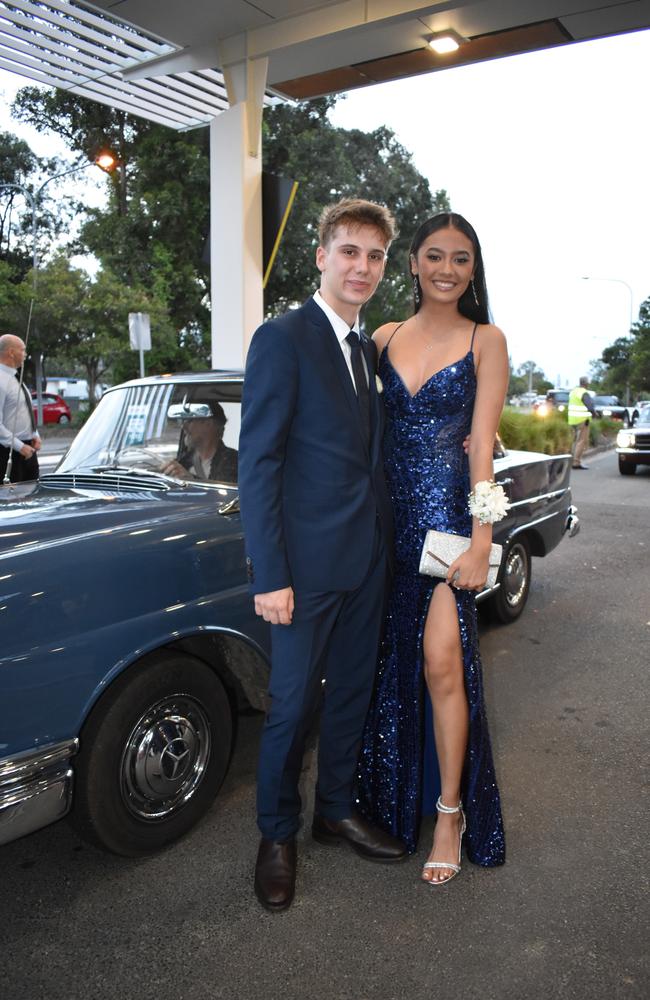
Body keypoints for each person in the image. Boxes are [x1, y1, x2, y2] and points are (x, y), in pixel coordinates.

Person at [238, 198, 407, 913]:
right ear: (321, 256)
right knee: (290, 707)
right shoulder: (283, 337)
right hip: (302, 571)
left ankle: (333, 811)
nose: (361, 267)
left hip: (368, 559)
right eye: (349, 252)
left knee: (353, 696)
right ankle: (276, 835)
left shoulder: (367, 350)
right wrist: (271, 574)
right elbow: (259, 462)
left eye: (373, 256)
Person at [356, 212, 509, 885]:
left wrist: (483, 542)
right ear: (412, 263)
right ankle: (390, 794)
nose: (448, 269)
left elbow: (482, 457)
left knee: (443, 663)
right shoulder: (382, 336)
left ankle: (450, 812)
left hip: (448, 529)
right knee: (387, 668)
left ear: (473, 271)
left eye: (463, 259)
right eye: (436, 256)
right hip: (386, 530)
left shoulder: (486, 339)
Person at [162, 400, 238, 483]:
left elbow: (228, 493)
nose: (184, 426)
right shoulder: (182, 461)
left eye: (189, 421)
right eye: (183, 421)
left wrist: (190, 479)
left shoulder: (235, 461)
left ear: (208, 424)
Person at [0, 334, 41, 484]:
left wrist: (34, 434)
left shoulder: (17, 379)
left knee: (32, 498)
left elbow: (23, 411)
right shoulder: (1, 380)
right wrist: (20, 446)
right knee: (10, 502)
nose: (25, 354)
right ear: (11, 352)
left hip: (28, 449)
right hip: (8, 453)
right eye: (22, 350)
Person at [568, 376, 596, 470]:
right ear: (586, 383)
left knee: (574, 441)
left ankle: (571, 460)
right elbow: (590, 406)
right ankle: (576, 462)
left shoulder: (573, 392)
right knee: (581, 441)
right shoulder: (584, 393)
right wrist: (594, 414)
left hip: (572, 420)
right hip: (582, 420)